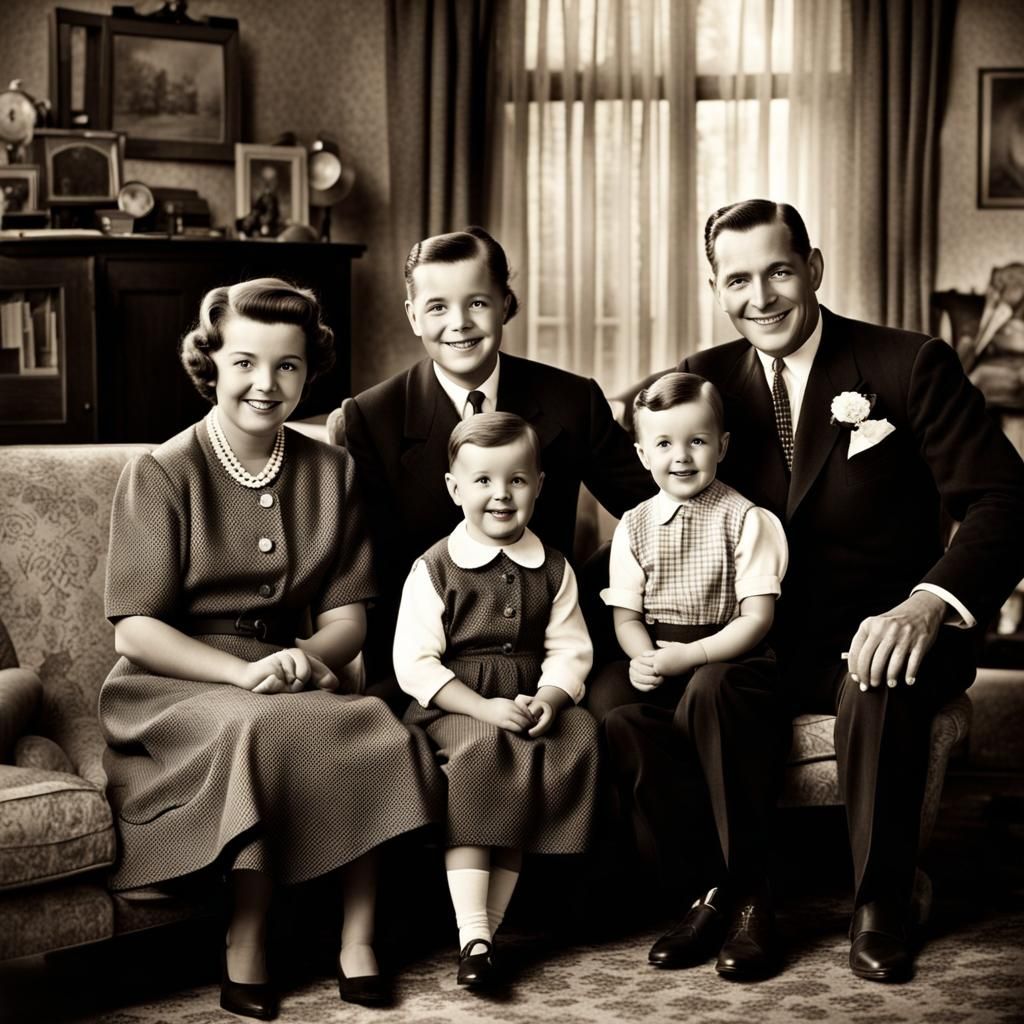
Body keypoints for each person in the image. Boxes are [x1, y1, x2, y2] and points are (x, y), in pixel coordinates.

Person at [670, 199, 1024, 981]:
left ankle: (882, 901)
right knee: (712, 686)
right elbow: (653, 489)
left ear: (814, 269)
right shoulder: (703, 382)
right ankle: (749, 898)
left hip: (888, 626)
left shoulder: (909, 363)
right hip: (761, 634)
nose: (759, 297)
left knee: (880, 674)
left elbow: (1004, 499)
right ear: (715, 288)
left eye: (778, 272)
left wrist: (928, 602)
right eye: (736, 280)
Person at [98, 278, 440, 1021]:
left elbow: (351, 614)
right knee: (262, 727)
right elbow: (135, 629)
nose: (266, 383)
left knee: (373, 724)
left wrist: (311, 657)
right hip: (170, 683)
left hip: (287, 670)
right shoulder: (160, 471)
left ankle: (359, 940)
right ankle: (247, 935)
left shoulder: (331, 470)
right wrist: (240, 672)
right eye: (246, 362)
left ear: (307, 372)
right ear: (211, 363)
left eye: (287, 366)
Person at [340, 226, 654, 700]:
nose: (459, 323)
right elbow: (367, 566)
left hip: (550, 663)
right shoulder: (372, 416)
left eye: (478, 303)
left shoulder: (572, 401)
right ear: (413, 317)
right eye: (438, 307)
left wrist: (586, 591)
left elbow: (652, 514)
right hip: (425, 670)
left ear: (505, 303)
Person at [589, 370, 789, 977]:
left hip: (731, 660)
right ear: (642, 452)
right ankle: (704, 889)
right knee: (613, 711)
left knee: (709, 689)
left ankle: (754, 895)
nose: (681, 457)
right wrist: (644, 655)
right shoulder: (635, 524)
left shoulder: (748, 519)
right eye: (665, 444)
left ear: (722, 446)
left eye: (697, 441)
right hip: (662, 655)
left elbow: (756, 618)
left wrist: (692, 656)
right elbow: (626, 615)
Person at [393, 412, 599, 988]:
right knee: (485, 752)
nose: (500, 495)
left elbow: (570, 650)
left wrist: (552, 699)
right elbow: (414, 663)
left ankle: (488, 938)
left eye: (516, 480)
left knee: (570, 740)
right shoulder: (434, 567)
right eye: (482, 481)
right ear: (455, 488)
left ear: (538, 484)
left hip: (527, 700)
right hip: (456, 705)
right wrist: (482, 707)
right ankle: (472, 932)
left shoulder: (554, 568)